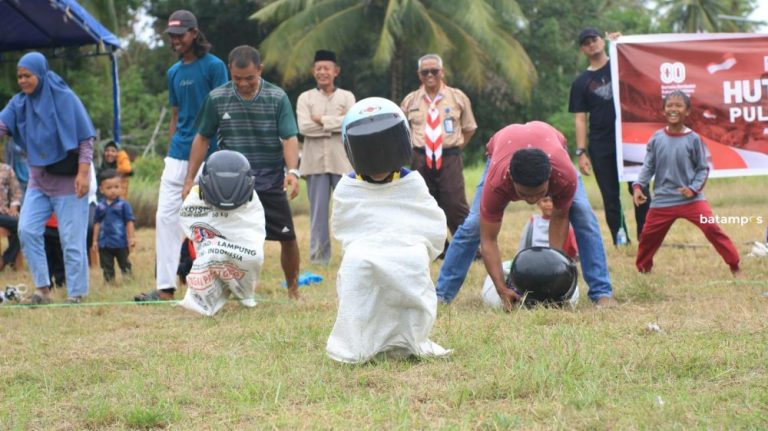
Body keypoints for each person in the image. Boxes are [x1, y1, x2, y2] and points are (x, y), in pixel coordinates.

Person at [436, 121, 617, 309]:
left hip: (552, 145)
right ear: (511, 179)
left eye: (540, 194)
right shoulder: (498, 181)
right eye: (524, 194)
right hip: (502, 147)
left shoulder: (563, 175)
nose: (532, 200)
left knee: (583, 213)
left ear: (549, 178)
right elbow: (488, 239)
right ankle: (441, 295)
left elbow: (559, 217)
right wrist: (501, 289)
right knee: (474, 224)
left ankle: (602, 293)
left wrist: (552, 272)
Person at [326, 97, 450, 363]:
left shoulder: (412, 182)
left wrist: (414, 243)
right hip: (363, 247)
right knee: (355, 265)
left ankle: (408, 338)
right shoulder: (348, 187)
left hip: (408, 245)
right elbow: (347, 228)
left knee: (412, 262)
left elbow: (430, 225)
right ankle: (360, 342)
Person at [181, 45, 302, 299]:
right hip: (229, 182)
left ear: (260, 70)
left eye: (250, 78)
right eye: (237, 78)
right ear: (229, 71)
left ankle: (293, 289)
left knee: (287, 236)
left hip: (269, 178)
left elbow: (289, 137)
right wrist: (190, 179)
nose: (244, 84)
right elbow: (202, 138)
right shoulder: (217, 98)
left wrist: (292, 171)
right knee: (225, 240)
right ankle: (227, 289)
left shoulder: (277, 97)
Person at [136, 10, 228, 302]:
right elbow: (175, 115)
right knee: (165, 217)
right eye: (171, 35)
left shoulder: (214, 66)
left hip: (209, 154)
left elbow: (222, 110)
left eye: (180, 34)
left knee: (207, 220)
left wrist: (222, 153)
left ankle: (210, 284)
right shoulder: (173, 73)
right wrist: (170, 147)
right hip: (177, 155)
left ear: (194, 33)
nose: (175, 40)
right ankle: (165, 287)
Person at [0, 52, 95, 304]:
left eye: (27, 75)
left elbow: (86, 139)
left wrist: (83, 174)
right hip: (38, 182)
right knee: (26, 229)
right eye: (19, 76)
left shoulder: (65, 98)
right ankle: (42, 289)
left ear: (41, 74)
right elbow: (2, 125)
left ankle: (76, 294)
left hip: (69, 182)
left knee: (71, 240)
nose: (22, 80)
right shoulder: (19, 103)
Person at [632, 91, 740, 274]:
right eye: (669, 105)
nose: (673, 109)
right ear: (663, 110)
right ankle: (644, 269)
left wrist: (693, 189)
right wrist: (638, 186)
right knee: (648, 237)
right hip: (663, 200)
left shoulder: (693, 139)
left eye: (678, 105)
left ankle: (734, 265)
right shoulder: (657, 138)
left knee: (712, 227)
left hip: (691, 200)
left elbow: (702, 169)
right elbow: (648, 166)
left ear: (687, 111)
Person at [569, 27, 650, 246]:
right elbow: (580, 119)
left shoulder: (620, 65)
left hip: (630, 137)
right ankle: (620, 239)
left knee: (640, 187)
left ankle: (646, 236)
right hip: (600, 143)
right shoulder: (580, 82)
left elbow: (641, 65)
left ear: (602, 41)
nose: (591, 44)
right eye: (586, 43)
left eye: (594, 39)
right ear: (582, 49)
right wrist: (581, 152)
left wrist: (622, 44)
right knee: (610, 195)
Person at [400, 54, 477, 250]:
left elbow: (469, 128)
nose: (430, 75)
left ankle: (467, 247)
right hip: (420, 157)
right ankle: (437, 247)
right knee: (425, 203)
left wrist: (455, 147)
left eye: (434, 71)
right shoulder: (410, 100)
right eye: (425, 72)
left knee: (455, 203)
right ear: (419, 74)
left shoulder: (457, 97)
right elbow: (402, 129)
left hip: (449, 157)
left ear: (442, 72)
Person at [178, 150, 266, 316]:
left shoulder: (252, 202)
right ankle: (209, 300)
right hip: (210, 250)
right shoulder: (195, 199)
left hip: (242, 251)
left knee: (253, 256)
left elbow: (252, 229)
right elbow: (190, 223)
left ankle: (244, 293)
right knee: (211, 254)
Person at [296, 49, 355, 265]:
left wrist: (321, 120)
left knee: (348, 211)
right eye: (318, 68)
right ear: (313, 71)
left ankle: (352, 255)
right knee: (318, 214)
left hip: (342, 163)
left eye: (326, 68)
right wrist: (336, 122)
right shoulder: (305, 98)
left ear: (336, 71)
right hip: (315, 164)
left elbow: (351, 122)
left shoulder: (347, 96)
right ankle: (319, 258)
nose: (322, 72)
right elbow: (304, 127)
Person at [92, 169, 136, 283]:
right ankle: (109, 282)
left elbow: (129, 222)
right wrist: (95, 241)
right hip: (104, 243)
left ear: (121, 187)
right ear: (101, 189)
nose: (113, 191)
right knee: (106, 265)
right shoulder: (100, 206)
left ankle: (128, 280)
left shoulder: (123, 205)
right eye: (109, 188)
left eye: (116, 187)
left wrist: (131, 238)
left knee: (125, 263)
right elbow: (97, 223)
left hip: (121, 242)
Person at [0, 161, 22, 271]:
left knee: (23, 225)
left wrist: (14, 205)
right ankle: (6, 260)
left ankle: (4, 259)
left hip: (4, 212)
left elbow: (16, 191)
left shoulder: (6, 169)